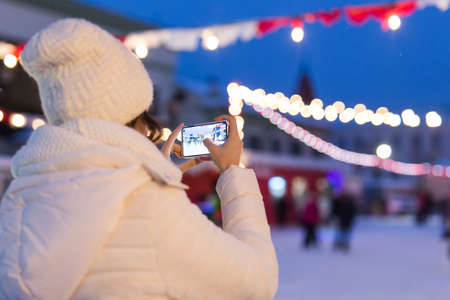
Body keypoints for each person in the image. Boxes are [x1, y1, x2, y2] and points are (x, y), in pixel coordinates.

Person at [0, 19, 278, 299]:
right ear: (131, 117)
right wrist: (232, 170)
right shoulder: (152, 206)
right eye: (144, 114)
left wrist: (154, 170)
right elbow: (257, 280)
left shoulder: (18, 200)